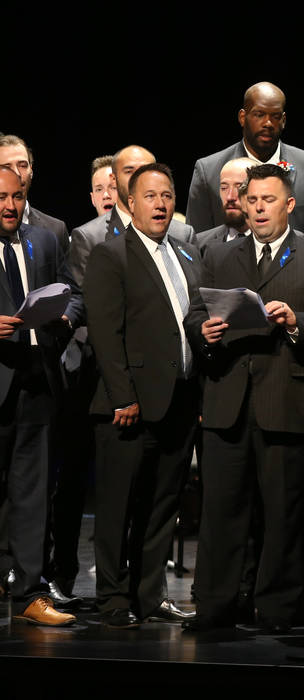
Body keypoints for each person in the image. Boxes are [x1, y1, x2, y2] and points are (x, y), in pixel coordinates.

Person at [185, 163, 304, 633]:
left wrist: (296, 320)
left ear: (290, 205)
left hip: (285, 403)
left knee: (283, 514)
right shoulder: (219, 255)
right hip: (228, 404)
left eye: (268, 201)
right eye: (251, 200)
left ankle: (277, 610)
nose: (257, 209)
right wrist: (206, 332)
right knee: (221, 513)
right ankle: (215, 607)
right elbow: (194, 318)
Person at [83, 163, 200, 629]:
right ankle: (113, 598)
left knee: (161, 506)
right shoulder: (113, 256)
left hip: (178, 402)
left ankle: (149, 595)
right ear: (130, 203)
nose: (161, 204)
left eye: (167, 196)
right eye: (150, 196)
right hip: (128, 408)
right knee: (117, 508)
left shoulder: (185, 254)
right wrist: (122, 398)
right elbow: (106, 336)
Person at [0, 165, 80, 626]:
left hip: (36, 379)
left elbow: (72, 290)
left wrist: (63, 315)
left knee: (32, 494)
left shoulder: (43, 239)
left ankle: (30, 593)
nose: (11, 207)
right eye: (2, 198)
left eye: (17, 196)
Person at [185, 82, 304, 238]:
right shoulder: (209, 171)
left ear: (284, 120)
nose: (268, 123)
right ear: (242, 117)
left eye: (275, 116)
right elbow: (196, 244)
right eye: (259, 114)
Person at [68, 145, 194, 287]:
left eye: (146, 171)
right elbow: (82, 300)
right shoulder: (89, 238)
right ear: (114, 179)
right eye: (129, 171)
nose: (138, 178)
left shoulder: (183, 234)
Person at [0, 134, 68, 251]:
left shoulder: (56, 230)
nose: (17, 173)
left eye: (22, 165)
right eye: (7, 166)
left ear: (31, 170)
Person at [193, 157, 255, 257]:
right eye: (224, 188)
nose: (230, 197)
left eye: (240, 187)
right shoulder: (200, 245)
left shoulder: (275, 242)